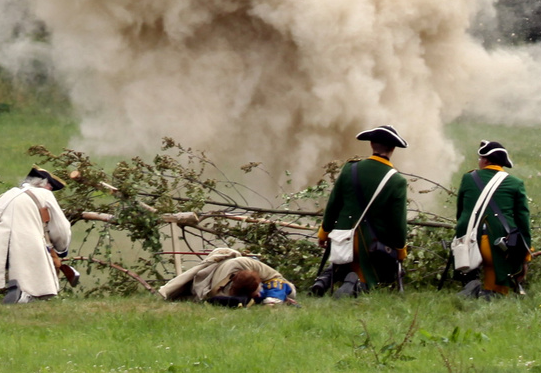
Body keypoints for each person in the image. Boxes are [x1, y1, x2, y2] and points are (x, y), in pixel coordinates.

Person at [313, 124, 409, 296]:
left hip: (342, 237)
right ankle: (355, 285)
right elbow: (398, 223)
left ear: (371, 144)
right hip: (371, 244)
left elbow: (334, 205)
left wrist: (324, 232)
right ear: (393, 148)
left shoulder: (350, 169)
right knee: (373, 278)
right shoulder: (396, 180)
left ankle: (324, 280)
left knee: (343, 261)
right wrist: (400, 250)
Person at [0, 167, 73, 304]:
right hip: (27, 240)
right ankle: (24, 295)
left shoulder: (8, 194)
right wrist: (62, 249)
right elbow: (61, 227)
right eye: (50, 187)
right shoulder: (45, 194)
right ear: (45, 184)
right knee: (30, 272)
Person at [453, 140, 532, 297]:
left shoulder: (468, 178)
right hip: (498, 246)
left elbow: (460, 213)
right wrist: (525, 253)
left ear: (485, 160)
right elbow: (522, 220)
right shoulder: (515, 183)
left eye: (480, 159)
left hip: (467, 244)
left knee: (471, 271)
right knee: (497, 290)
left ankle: (471, 284)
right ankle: (491, 293)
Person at [159, 247, 297, 306]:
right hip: (238, 284)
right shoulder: (242, 264)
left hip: (238, 282)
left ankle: (272, 299)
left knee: (279, 286)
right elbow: (282, 283)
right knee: (281, 286)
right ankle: (273, 300)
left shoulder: (242, 266)